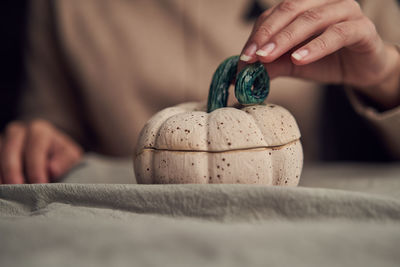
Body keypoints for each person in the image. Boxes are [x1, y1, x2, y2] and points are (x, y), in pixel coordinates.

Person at [0, 0, 399, 184]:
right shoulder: (60, 7)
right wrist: (44, 140)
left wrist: (384, 74)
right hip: (130, 232)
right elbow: (50, 116)